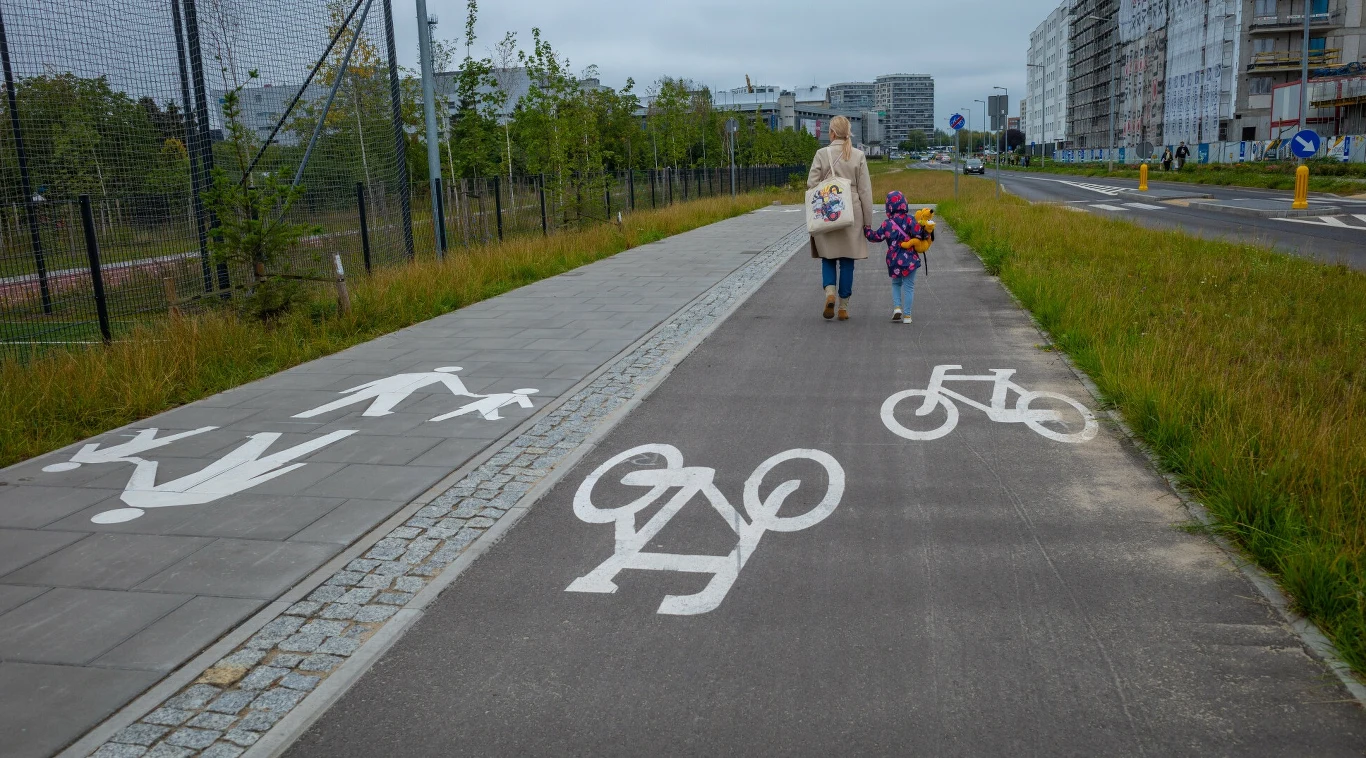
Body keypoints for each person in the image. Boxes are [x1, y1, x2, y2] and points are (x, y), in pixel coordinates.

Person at [807, 115, 873, 321]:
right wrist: (868, 222)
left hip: (828, 211)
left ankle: (830, 294)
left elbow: (811, 183)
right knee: (847, 261)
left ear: (832, 133)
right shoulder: (858, 155)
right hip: (852, 212)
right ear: (848, 133)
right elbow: (865, 191)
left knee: (828, 257)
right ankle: (843, 307)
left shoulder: (821, 153)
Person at [863, 191, 924, 324]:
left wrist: (867, 230)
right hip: (910, 260)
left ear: (888, 207)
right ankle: (907, 316)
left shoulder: (887, 224)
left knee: (896, 284)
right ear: (904, 204)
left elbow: (876, 237)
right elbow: (919, 234)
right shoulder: (910, 219)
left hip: (894, 260)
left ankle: (897, 308)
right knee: (909, 287)